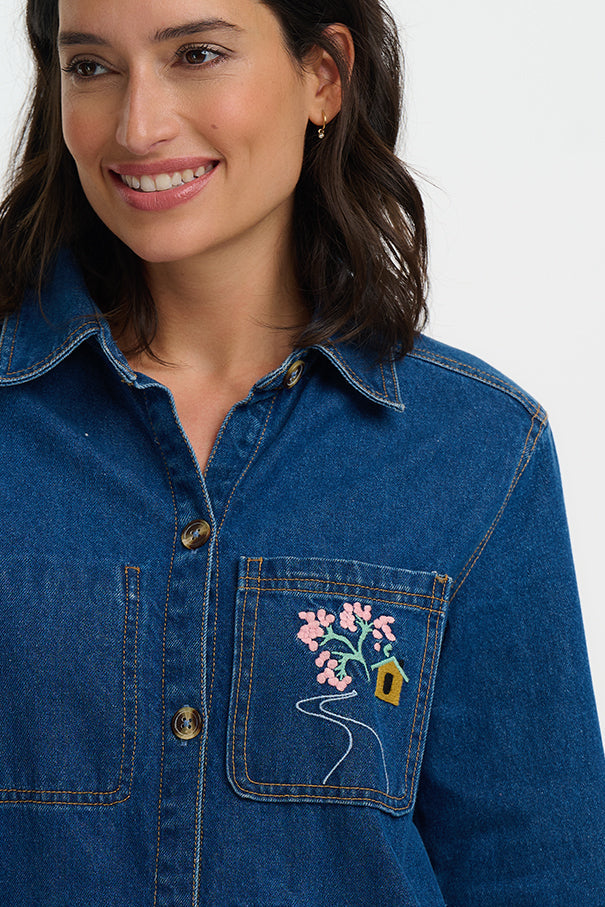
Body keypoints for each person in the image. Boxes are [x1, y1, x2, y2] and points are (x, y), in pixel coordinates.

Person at [0, 0, 603, 903]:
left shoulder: (477, 450)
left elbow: (537, 869)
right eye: (91, 67)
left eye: (196, 53)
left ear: (322, 74)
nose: (138, 124)